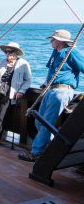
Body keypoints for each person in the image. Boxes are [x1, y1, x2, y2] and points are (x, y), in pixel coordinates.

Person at [19, 29, 84, 162]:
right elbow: (52, 71)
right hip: (51, 90)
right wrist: (45, 84)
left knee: (46, 122)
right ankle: (54, 147)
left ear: (59, 41)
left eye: (52, 39)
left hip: (61, 92)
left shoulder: (72, 52)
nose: (51, 41)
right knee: (39, 121)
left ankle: (36, 153)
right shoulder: (56, 52)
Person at [0, 42, 32, 146]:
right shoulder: (2, 61)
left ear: (16, 53)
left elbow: (28, 80)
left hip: (9, 93)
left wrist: (21, 91)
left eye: (10, 52)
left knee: (0, 116)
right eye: (6, 51)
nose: (7, 54)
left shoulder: (23, 63)